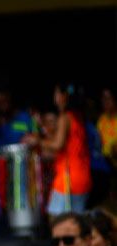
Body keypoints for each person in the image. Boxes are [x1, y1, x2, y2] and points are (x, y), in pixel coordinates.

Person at [26, 84, 91, 216]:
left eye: (56, 94)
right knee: (76, 223)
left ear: (64, 96)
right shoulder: (77, 117)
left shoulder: (65, 117)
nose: (55, 98)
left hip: (69, 177)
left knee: (56, 220)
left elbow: (58, 144)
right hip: (83, 176)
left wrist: (37, 141)